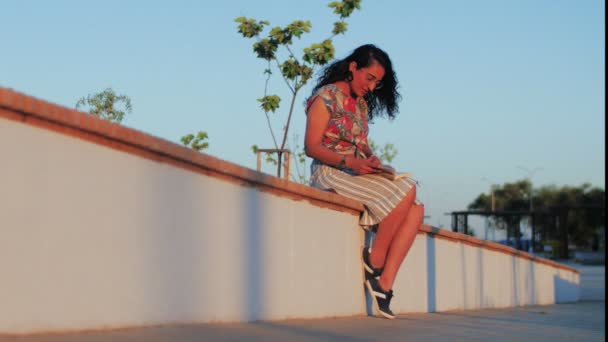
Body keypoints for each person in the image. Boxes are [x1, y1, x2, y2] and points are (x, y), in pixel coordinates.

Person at [304, 44, 424, 319]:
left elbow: (361, 143)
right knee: (409, 188)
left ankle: (383, 285)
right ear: (353, 67)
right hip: (330, 171)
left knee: (416, 209)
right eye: (369, 78)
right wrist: (351, 163)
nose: (372, 87)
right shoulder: (325, 98)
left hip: (355, 171)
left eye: (377, 83)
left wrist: (372, 160)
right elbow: (311, 147)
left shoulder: (359, 104)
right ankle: (374, 259)